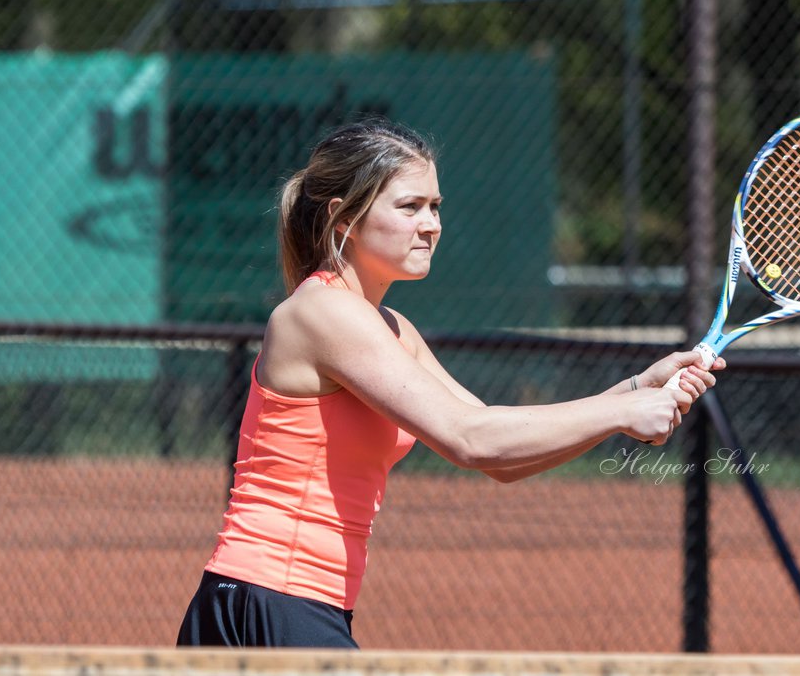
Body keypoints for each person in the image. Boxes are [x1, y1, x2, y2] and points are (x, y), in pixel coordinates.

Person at [176, 118, 723, 648]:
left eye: (435, 206)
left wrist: (632, 390)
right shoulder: (322, 312)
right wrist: (622, 415)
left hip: (296, 605)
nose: (431, 224)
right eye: (410, 206)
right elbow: (470, 437)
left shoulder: (392, 328)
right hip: (266, 599)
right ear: (343, 218)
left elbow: (498, 455)